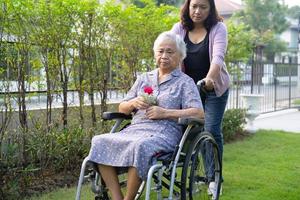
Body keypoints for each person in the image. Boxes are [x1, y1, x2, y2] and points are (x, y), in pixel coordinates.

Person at [88, 31, 204, 200]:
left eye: (170, 52)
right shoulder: (144, 78)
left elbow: (199, 113)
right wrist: (134, 102)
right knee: (99, 141)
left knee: (141, 146)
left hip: (164, 133)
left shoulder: (185, 82)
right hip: (135, 129)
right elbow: (123, 107)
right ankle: (117, 197)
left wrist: (165, 112)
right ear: (154, 54)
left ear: (180, 56)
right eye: (160, 51)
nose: (164, 56)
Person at [170, 0, 230, 195]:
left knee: (211, 130)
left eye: (203, 7)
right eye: (194, 6)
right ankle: (191, 175)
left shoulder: (218, 28)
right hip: (188, 90)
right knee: (190, 131)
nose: (197, 11)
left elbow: (218, 58)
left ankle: (214, 178)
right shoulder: (179, 29)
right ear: (188, 6)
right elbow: (171, 55)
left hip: (213, 88)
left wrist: (210, 79)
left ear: (211, 8)